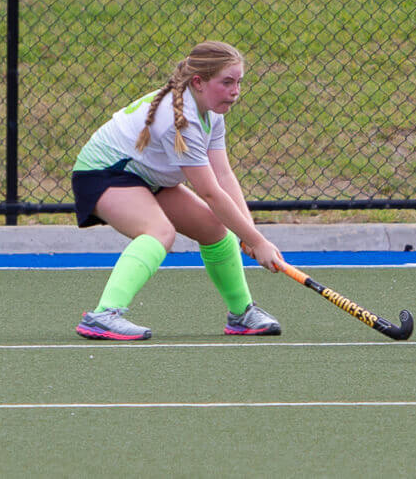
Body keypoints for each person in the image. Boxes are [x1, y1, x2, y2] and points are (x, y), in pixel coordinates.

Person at [71, 41, 284, 340]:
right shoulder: (180, 122)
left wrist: (249, 233)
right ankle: (104, 315)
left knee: (214, 228)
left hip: (147, 175)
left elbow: (224, 175)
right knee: (159, 232)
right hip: (103, 174)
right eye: (226, 82)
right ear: (198, 82)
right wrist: (257, 242)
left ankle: (242, 314)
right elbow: (210, 192)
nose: (235, 91)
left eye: (239, 82)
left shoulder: (211, 113)